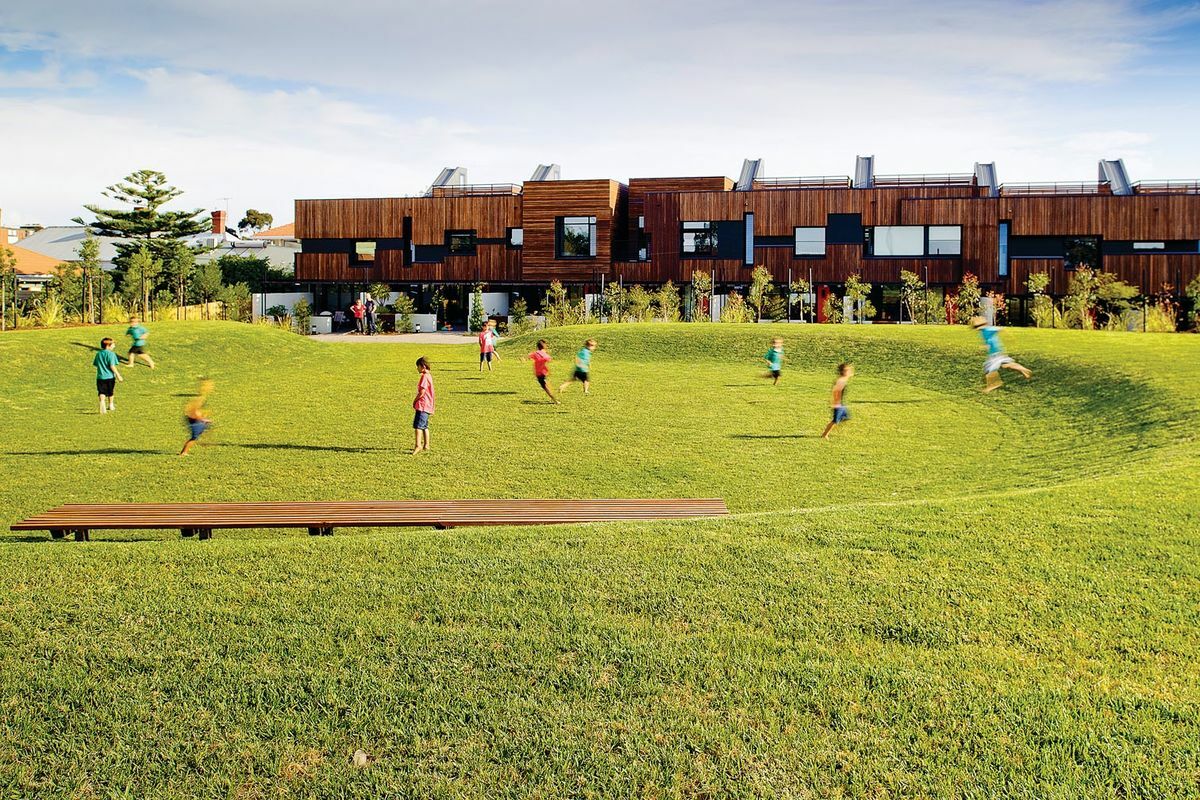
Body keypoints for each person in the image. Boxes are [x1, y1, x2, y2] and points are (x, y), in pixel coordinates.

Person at [971, 316, 1032, 393]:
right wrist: (985, 346)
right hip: (996, 351)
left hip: (995, 352)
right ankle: (1024, 369)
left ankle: (992, 385)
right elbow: (988, 341)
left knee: (989, 368)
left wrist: (1010, 338)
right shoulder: (983, 332)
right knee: (1006, 364)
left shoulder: (988, 329)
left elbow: (1001, 329)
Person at [180, 378, 215, 456]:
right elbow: (193, 413)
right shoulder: (196, 403)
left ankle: (205, 443)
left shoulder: (198, 401)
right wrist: (203, 419)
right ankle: (183, 453)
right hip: (196, 422)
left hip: (197, 421)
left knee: (202, 433)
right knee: (193, 438)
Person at [821, 363, 854, 439]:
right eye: (847, 371)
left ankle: (835, 426)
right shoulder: (840, 380)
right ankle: (825, 435)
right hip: (838, 404)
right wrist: (835, 403)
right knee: (835, 421)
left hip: (841, 404)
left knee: (846, 417)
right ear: (843, 371)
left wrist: (849, 373)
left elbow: (848, 376)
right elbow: (836, 392)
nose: (849, 372)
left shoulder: (843, 378)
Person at [92, 337, 123, 414]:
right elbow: (112, 366)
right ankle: (111, 405)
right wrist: (118, 375)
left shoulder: (98, 354)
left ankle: (102, 402)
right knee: (110, 392)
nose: (114, 346)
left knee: (101, 391)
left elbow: (96, 364)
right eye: (113, 344)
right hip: (109, 377)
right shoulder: (111, 354)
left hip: (100, 377)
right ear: (108, 345)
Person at [412, 357, 435, 454]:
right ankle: (426, 445)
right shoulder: (429, 376)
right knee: (425, 426)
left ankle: (418, 445)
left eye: (418, 367)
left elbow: (422, 392)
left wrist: (415, 400)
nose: (417, 369)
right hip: (428, 405)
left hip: (422, 404)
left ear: (423, 366)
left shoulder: (424, 377)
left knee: (418, 426)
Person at [525, 339, 559, 404]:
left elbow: (529, 356)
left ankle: (555, 400)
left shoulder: (535, 353)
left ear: (537, 347)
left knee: (545, 387)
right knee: (547, 385)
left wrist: (524, 359)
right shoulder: (544, 353)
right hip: (544, 372)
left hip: (539, 374)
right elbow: (549, 359)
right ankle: (553, 398)